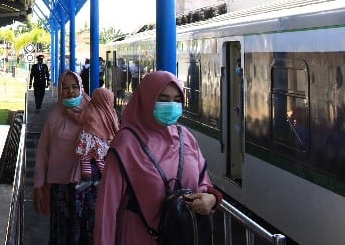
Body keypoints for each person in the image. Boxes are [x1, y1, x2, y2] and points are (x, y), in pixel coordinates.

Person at [94, 71, 221, 245]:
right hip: (138, 237)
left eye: (177, 100)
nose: (171, 105)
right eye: (163, 99)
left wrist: (211, 199)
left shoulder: (186, 138)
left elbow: (204, 185)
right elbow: (106, 210)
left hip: (184, 237)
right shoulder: (126, 144)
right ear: (147, 99)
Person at [33, 70, 91, 244]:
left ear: (81, 88)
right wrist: (38, 185)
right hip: (59, 188)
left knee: (84, 232)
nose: (70, 91)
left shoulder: (93, 115)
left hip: (87, 188)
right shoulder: (54, 117)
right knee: (61, 233)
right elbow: (43, 152)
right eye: (65, 88)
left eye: (74, 87)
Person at [70, 87, 120, 244]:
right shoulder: (111, 113)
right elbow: (116, 128)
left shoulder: (92, 110)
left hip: (89, 143)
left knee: (85, 158)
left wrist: (69, 113)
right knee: (100, 160)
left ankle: (86, 177)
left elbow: (80, 119)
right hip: (104, 146)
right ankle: (103, 177)